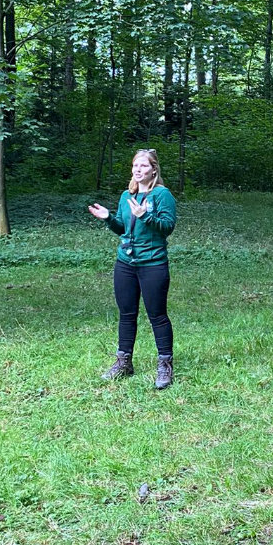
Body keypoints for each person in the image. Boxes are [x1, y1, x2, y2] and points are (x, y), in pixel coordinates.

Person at [88, 149, 177, 390]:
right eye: (135, 166)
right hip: (125, 264)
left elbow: (167, 227)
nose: (138, 170)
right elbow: (123, 229)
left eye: (143, 166)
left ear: (154, 169)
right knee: (127, 314)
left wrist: (146, 216)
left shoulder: (162, 195)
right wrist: (108, 218)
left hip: (153, 263)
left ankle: (165, 365)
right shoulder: (127, 195)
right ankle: (124, 362)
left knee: (157, 315)